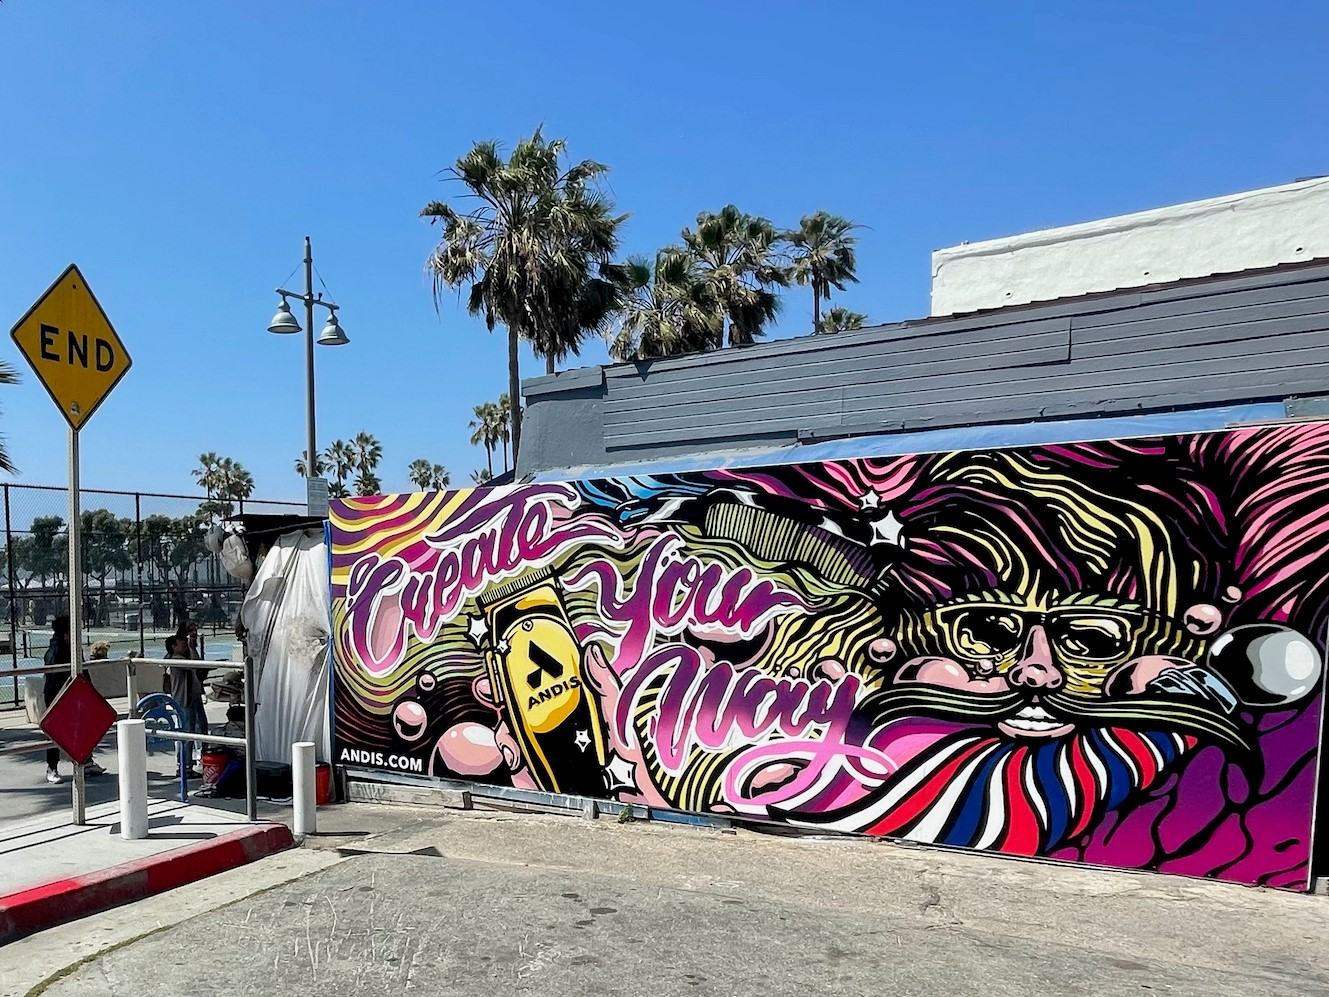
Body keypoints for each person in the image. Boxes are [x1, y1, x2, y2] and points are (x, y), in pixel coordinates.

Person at [42, 615, 106, 785]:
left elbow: (82, 671)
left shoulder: (71, 648)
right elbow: (58, 677)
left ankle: (86, 762)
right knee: (55, 733)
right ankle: (52, 768)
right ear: (66, 633)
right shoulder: (55, 651)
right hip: (58, 697)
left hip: (73, 697)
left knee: (84, 728)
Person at [166, 633, 206, 777]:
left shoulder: (182, 658)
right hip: (184, 700)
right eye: (180, 642)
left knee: (199, 728)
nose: (184, 644)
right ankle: (184, 766)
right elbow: (196, 665)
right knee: (187, 732)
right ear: (174, 646)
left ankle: (195, 761)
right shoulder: (176, 660)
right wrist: (192, 648)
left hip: (192, 698)